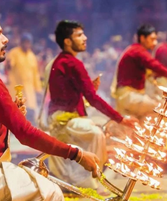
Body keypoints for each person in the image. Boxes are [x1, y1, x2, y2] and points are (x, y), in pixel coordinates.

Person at [0, 25, 101, 201]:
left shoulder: (57, 63)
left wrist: (10, 114)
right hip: (60, 124)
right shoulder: (68, 62)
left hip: (58, 120)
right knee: (51, 194)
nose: (5, 38)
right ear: (67, 41)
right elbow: (26, 134)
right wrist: (75, 153)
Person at [45, 20, 137, 190]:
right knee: (96, 133)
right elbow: (93, 99)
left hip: (63, 117)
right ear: (67, 41)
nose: (85, 38)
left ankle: (86, 177)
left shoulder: (62, 61)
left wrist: (86, 91)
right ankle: (89, 180)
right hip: (64, 120)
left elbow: (70, 94)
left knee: (96, 129)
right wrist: (121, 119)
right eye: (79, 35)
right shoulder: (72, 63)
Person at [111, 24, 167, 118]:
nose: (155, 42)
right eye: (152, 39)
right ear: (142, 38)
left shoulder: (136, 50)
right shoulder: (138, 51)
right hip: (129, 96)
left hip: (131, 95)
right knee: (160, 108)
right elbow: (155, 65)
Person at [5, 33, 42, 124]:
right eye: (25, 42)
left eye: (28, 43)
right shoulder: (14, 53)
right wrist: (8, 64)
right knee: (15, 111)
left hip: (29, 90)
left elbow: (35, 74)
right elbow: (9, 67)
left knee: (30, 112)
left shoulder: (32, 56)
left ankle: (29, 132)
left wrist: (38, 89)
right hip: (16, 88)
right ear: (21, 43)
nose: (27, 45)